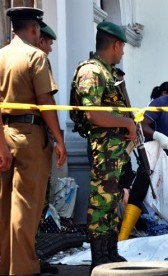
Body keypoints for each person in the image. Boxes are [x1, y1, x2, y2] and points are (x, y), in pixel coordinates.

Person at [0, 7, 66, 275]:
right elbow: (45, 101)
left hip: (4, 133)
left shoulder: (1, 56)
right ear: (34, 28)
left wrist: (2, 145)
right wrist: (59, 140)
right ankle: (24, 268)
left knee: (5, 206)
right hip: (30, 136)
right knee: (27, 206)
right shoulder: (35, 56)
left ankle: (6, 266)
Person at [72, 20, 135, 272]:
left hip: (116, 151)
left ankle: (110, 252)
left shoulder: (108, 72)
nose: (123, 52)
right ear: (116, 44)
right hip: (104, 149)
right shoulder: (92, 71)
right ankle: (99, 259)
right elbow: (93, 114)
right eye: (123, 48)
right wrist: (126, 123)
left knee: (112, 200)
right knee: (101, 203)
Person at [118, 73, 168, 241]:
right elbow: (141, 125)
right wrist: (158, 135)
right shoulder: (159, 104)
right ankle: (123, 235)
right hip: (153, 155)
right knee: (140, 189)